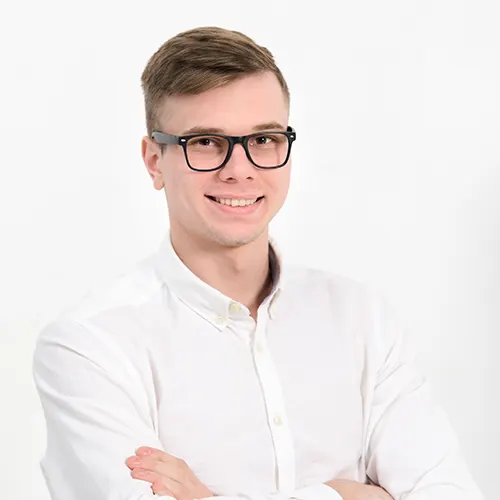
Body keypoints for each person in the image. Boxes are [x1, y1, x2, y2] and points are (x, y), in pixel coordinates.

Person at [33, 26, 484, 500]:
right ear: (154, 161)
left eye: (264, 139)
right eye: (205, 142)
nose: (240, 169)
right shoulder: (89, 345)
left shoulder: (363, 319)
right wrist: (346, 494)